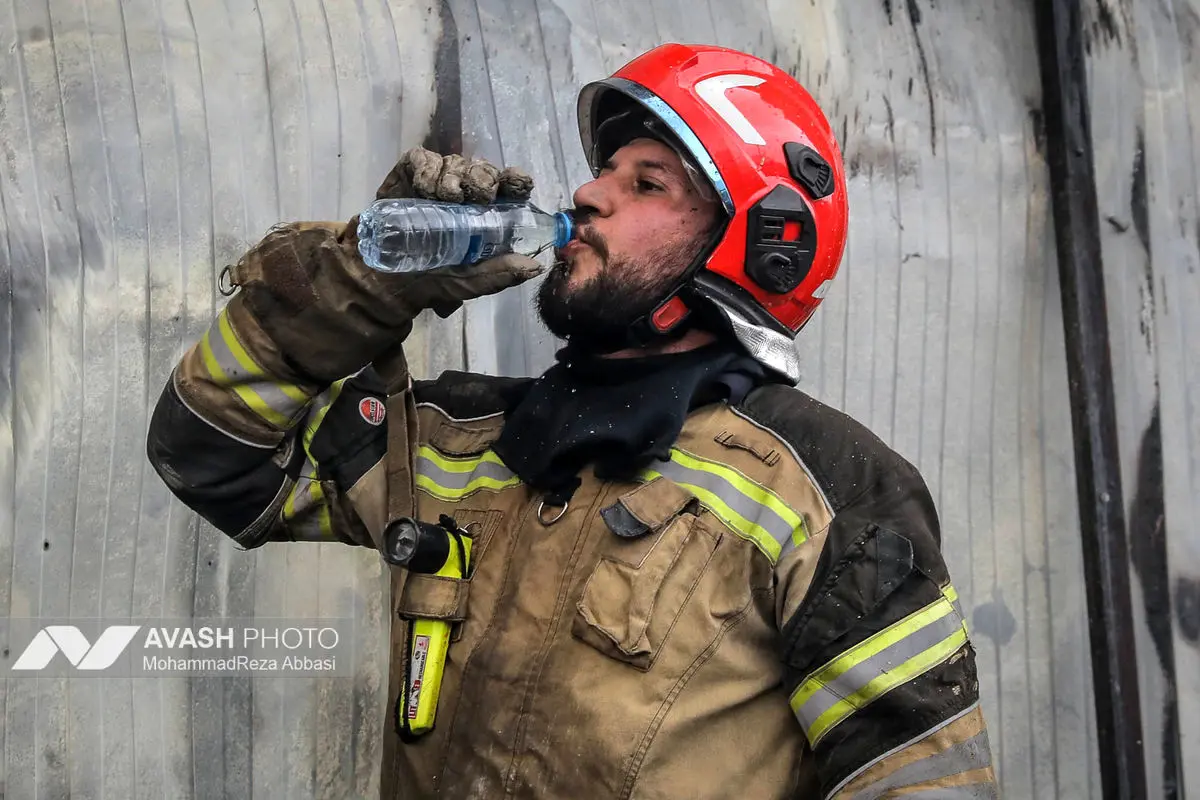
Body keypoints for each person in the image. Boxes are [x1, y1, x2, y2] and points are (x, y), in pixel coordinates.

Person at [148, 43, 997, 799]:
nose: (589, 193)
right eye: (605, 171)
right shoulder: (456, 438)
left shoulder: (825, 489)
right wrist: (356, 286)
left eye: (647, 183)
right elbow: (211, 456)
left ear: (760, 243)